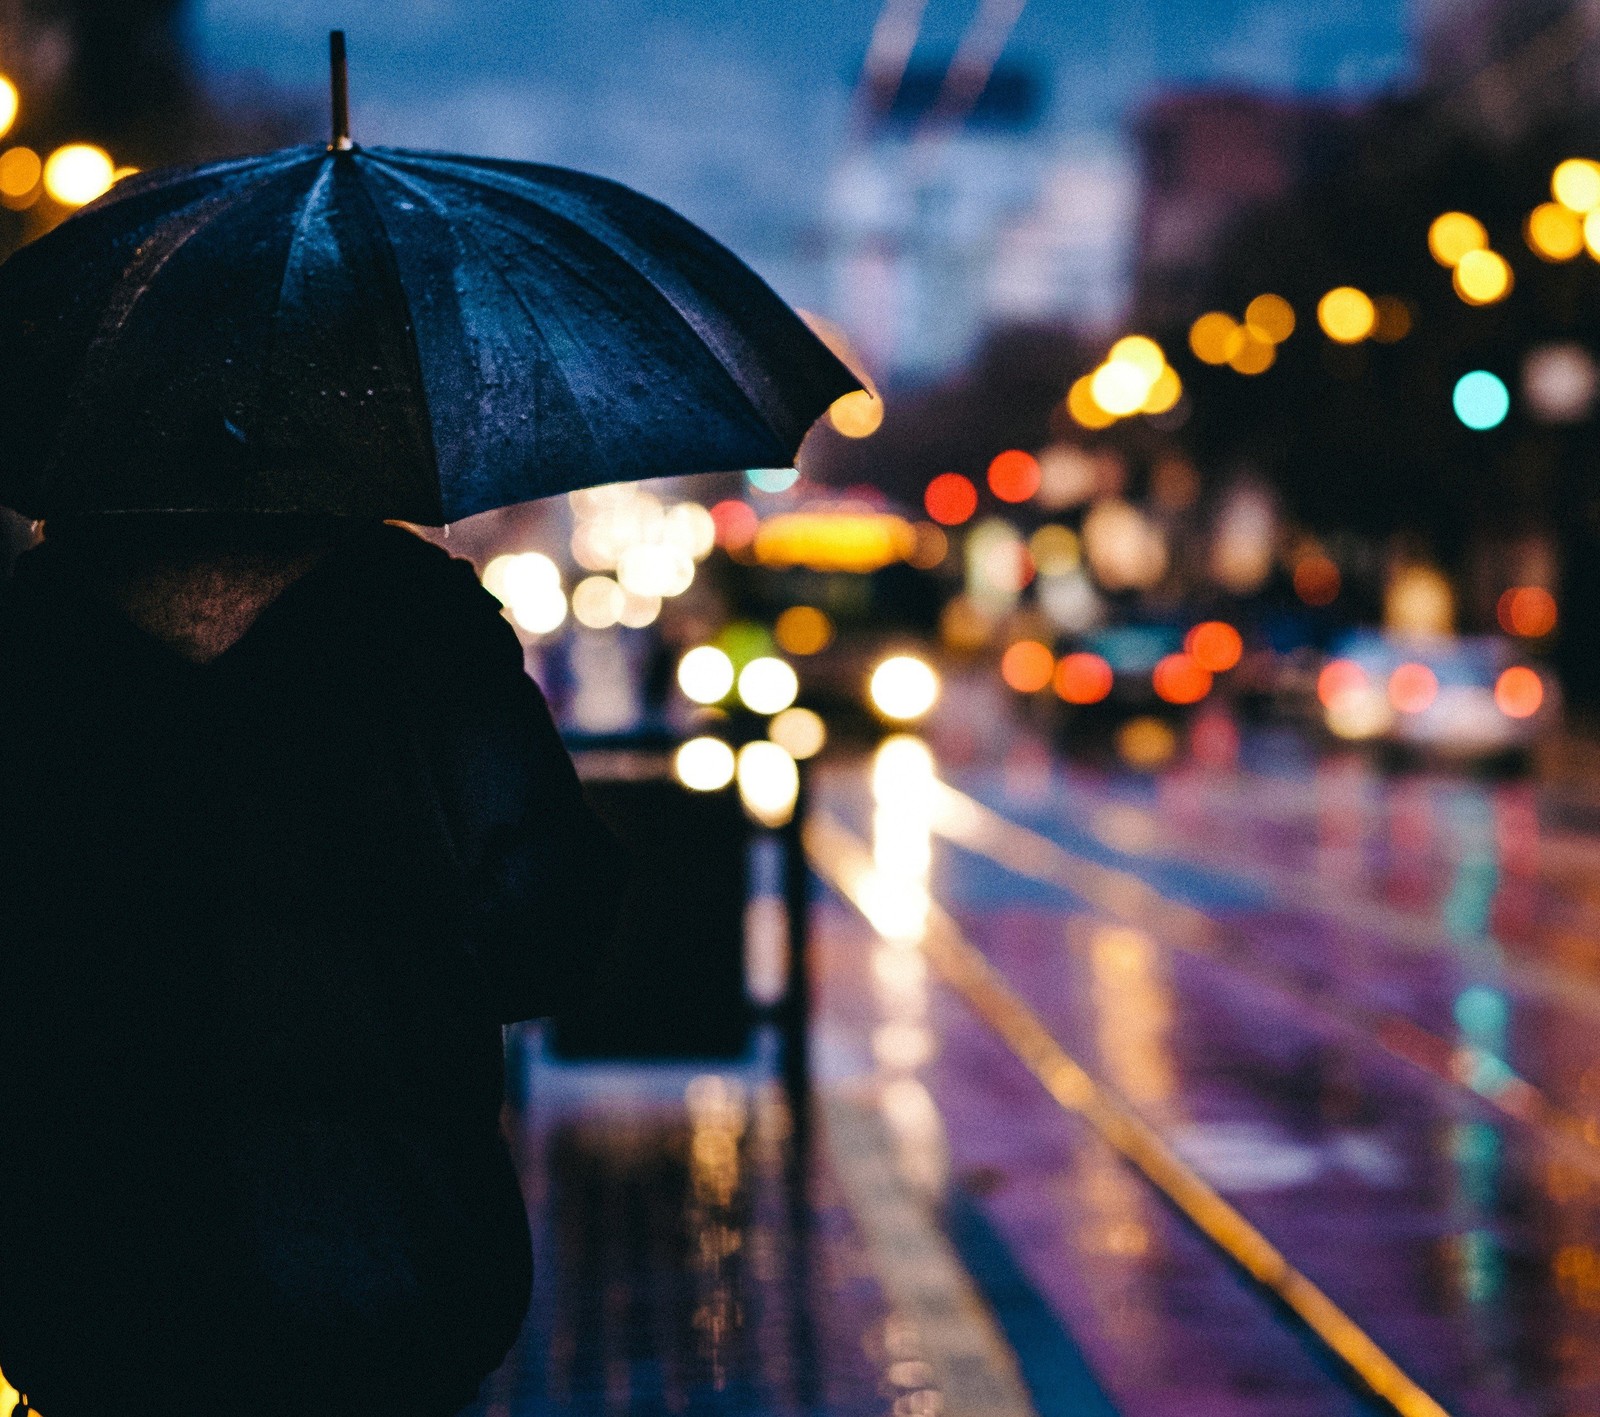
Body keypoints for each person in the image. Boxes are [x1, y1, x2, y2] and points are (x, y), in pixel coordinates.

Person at [0, 514, 625, 1417]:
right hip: (384, 1234)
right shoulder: (414, 619)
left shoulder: (35, 635)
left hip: (96, 1253)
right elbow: (547, 924)